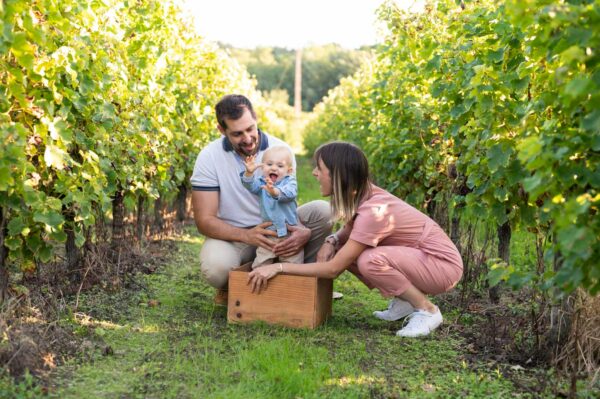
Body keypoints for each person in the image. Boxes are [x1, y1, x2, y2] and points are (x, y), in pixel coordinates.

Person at [248, 141, 463, 337]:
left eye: (319, 169)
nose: (314, 173)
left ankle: (427, 310)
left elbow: (333, 269)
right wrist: (330, 241)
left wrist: (279, 268)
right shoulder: (360, 193)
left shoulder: (374, 212)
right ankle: (405, 301)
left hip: (441, 266)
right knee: (343, 248)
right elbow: (348, 231)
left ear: (337, 176)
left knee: (369, 260)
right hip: (422, 258)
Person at [190, 94, 332, 304]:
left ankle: (303, 281)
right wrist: (247, 236)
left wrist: (302, 229)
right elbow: (204, 220)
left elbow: (287, 200)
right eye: (237, 133)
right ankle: (232, 286)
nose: (247, 138)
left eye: (250, 129)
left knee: (324, 211)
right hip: (235, 236)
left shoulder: (280, 150)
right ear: (222, 130)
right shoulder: (209, 157)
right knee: (216, 268)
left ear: (256, 118)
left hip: (278, 226)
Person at [241, 146, 304, 268]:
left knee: (292, 264)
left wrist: (274, 192)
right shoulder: (261, 182)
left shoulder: (290, 182)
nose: (274, 168)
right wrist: (249, 173)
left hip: (289, 233)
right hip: (269, 233)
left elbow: (290, 194)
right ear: (263, 167)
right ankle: (261, 278)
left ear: (289, 171)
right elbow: (250, 186)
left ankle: (289, 284)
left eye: (280, 166)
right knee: (261, 264)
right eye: (269, 164)